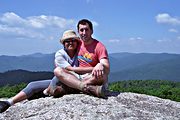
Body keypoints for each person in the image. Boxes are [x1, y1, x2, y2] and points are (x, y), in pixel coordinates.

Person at [0, 29, 81, 113]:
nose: (70, 43)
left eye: (73, 40)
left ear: (77, 42)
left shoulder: (81, 53)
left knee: (56, 78)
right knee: (33, 85)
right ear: (64, 43)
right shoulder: (60, 54)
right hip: (62, 81)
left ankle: (46, 92)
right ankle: (8, 102)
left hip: (76, 82)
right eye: (67, 41)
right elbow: (63, 72)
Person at [54, 19, 110, 97]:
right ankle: (86, 88)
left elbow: (107, 69)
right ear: (78, 32)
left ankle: (73, 87)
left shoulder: (99, 47)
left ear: (91, 31)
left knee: (103, 74)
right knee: (57, 71)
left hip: (91, 76)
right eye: (81, 30)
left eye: (86, 30)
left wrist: (101, 65)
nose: (84, 33)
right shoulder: (78, 43)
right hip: (76, 76)